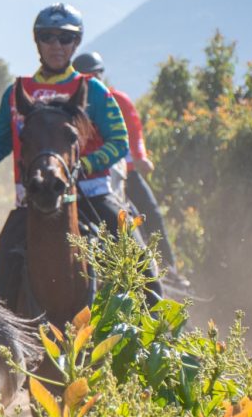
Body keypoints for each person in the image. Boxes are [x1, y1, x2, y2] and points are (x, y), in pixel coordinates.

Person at [0, 2, 159, 308]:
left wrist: (84, 167)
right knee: (0, 273)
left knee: (141, 266)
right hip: (32, 196)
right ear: (37, 41)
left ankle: (156, 328)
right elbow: (0, 138)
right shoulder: (17, 92)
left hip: (92, 194)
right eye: (48, 37)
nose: (56, 45)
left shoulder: (92, 90)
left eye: (65, 38)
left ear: (76, 43)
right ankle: (7, 345)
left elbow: (120, 141)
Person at [73, 51, 189, 288]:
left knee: (150, 211)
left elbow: (133, 134)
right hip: (80, 176)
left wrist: (141, 157)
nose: (91, 79)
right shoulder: (69, 106)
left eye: (94, 74)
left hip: (121, 169)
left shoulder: (115, 99)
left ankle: (168, 270)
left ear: (101, 75)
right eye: (85, 75)